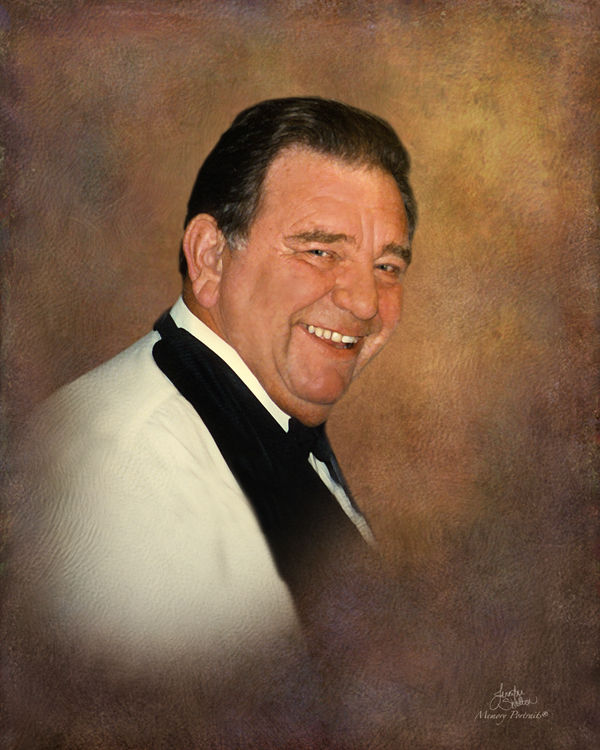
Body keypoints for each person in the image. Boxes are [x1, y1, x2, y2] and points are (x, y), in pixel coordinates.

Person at [4, 97, 417, 749]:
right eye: (320, 250)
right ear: (210, 258)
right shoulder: (118, 467)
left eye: (387, 266)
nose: (365, 302)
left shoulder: (270, 419)